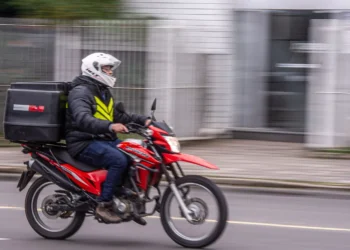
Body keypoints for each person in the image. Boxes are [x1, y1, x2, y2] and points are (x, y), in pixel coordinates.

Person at [64, 52, 150, 224]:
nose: (110, 73)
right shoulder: (80, 92)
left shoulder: (102, 92)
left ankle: (125, 199)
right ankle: (104, 204)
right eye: (106, 69)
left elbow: (118, 116)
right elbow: (83, 119)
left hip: (102, 139)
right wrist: (110, 126)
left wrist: (145, 120)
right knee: (118, 160)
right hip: (83, 142)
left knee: (135, 155)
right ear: (93, 70)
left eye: (110, 69)